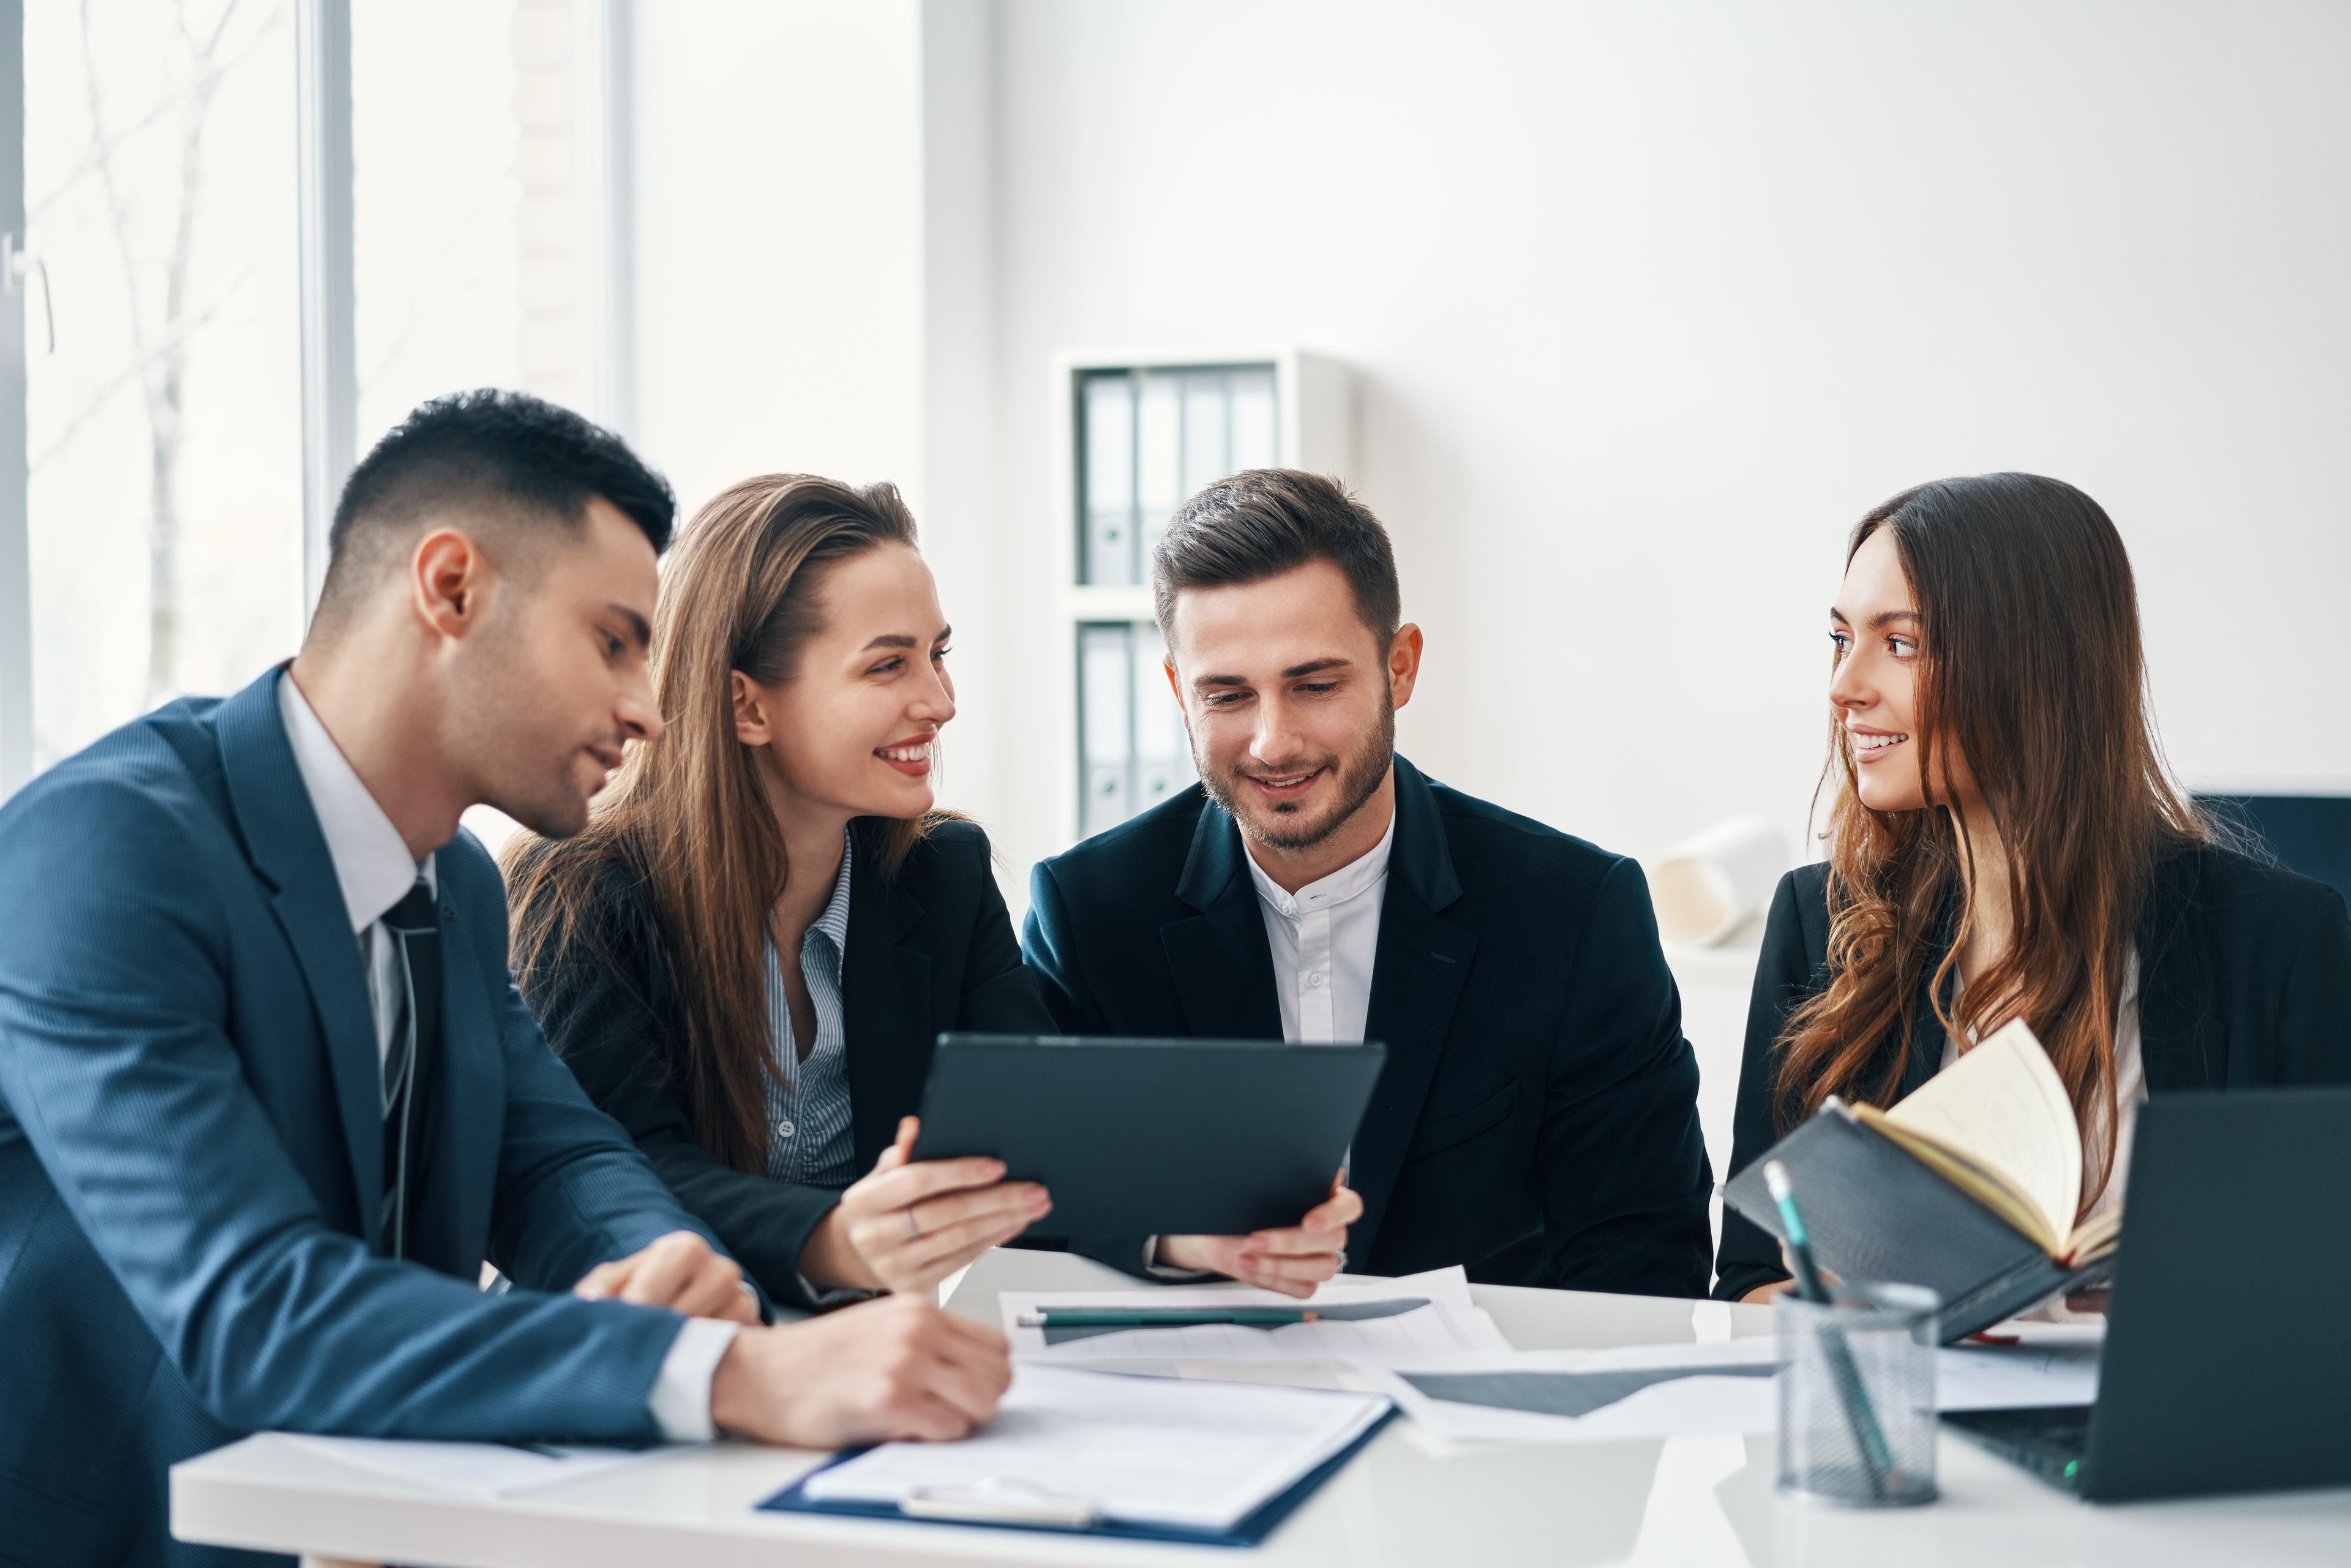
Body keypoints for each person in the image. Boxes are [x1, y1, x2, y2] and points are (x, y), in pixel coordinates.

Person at [0, 394, 1009, 1568]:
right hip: (115, 1528)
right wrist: (722, 1370)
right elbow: (252, 1305)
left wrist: (681, 1278)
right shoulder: (106, 851)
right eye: (615, 642)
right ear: (450, 589)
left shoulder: (462, 886)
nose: (647, 704)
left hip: (366, 1511)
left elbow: (554, 1160)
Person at [1022, 468, 1714, 1295]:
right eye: (1228, 694)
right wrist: (1172, 1237)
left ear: (1401, 665)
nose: (1273, 741)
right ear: (1179, 692)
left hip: (1491, 1410)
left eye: (1315, 685)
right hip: (1205, 1402)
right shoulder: (1092, 911)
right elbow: (1032, 1201)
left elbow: (1645, 1253)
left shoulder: (1573, 911)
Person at [1712, 473, 2351, 1304]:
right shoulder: (1818, 925)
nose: (1845, 685)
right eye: (1841, 639)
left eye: (1899, 644)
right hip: (1902, 1425)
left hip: (2162, 1432)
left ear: (2033, 666)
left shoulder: (2278, 943)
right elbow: (1750, 1282)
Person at [505, 475, 1059, 1310]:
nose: (941, 702)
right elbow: (616, 1173)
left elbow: (1037, 1127)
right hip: (654, 1354)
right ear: (746, 706)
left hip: (866, 1355)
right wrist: (833, 1239)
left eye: (937, 654)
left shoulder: (942, 872)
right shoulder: (580, 892)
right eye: (888, 665)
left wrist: (1173, 1232)